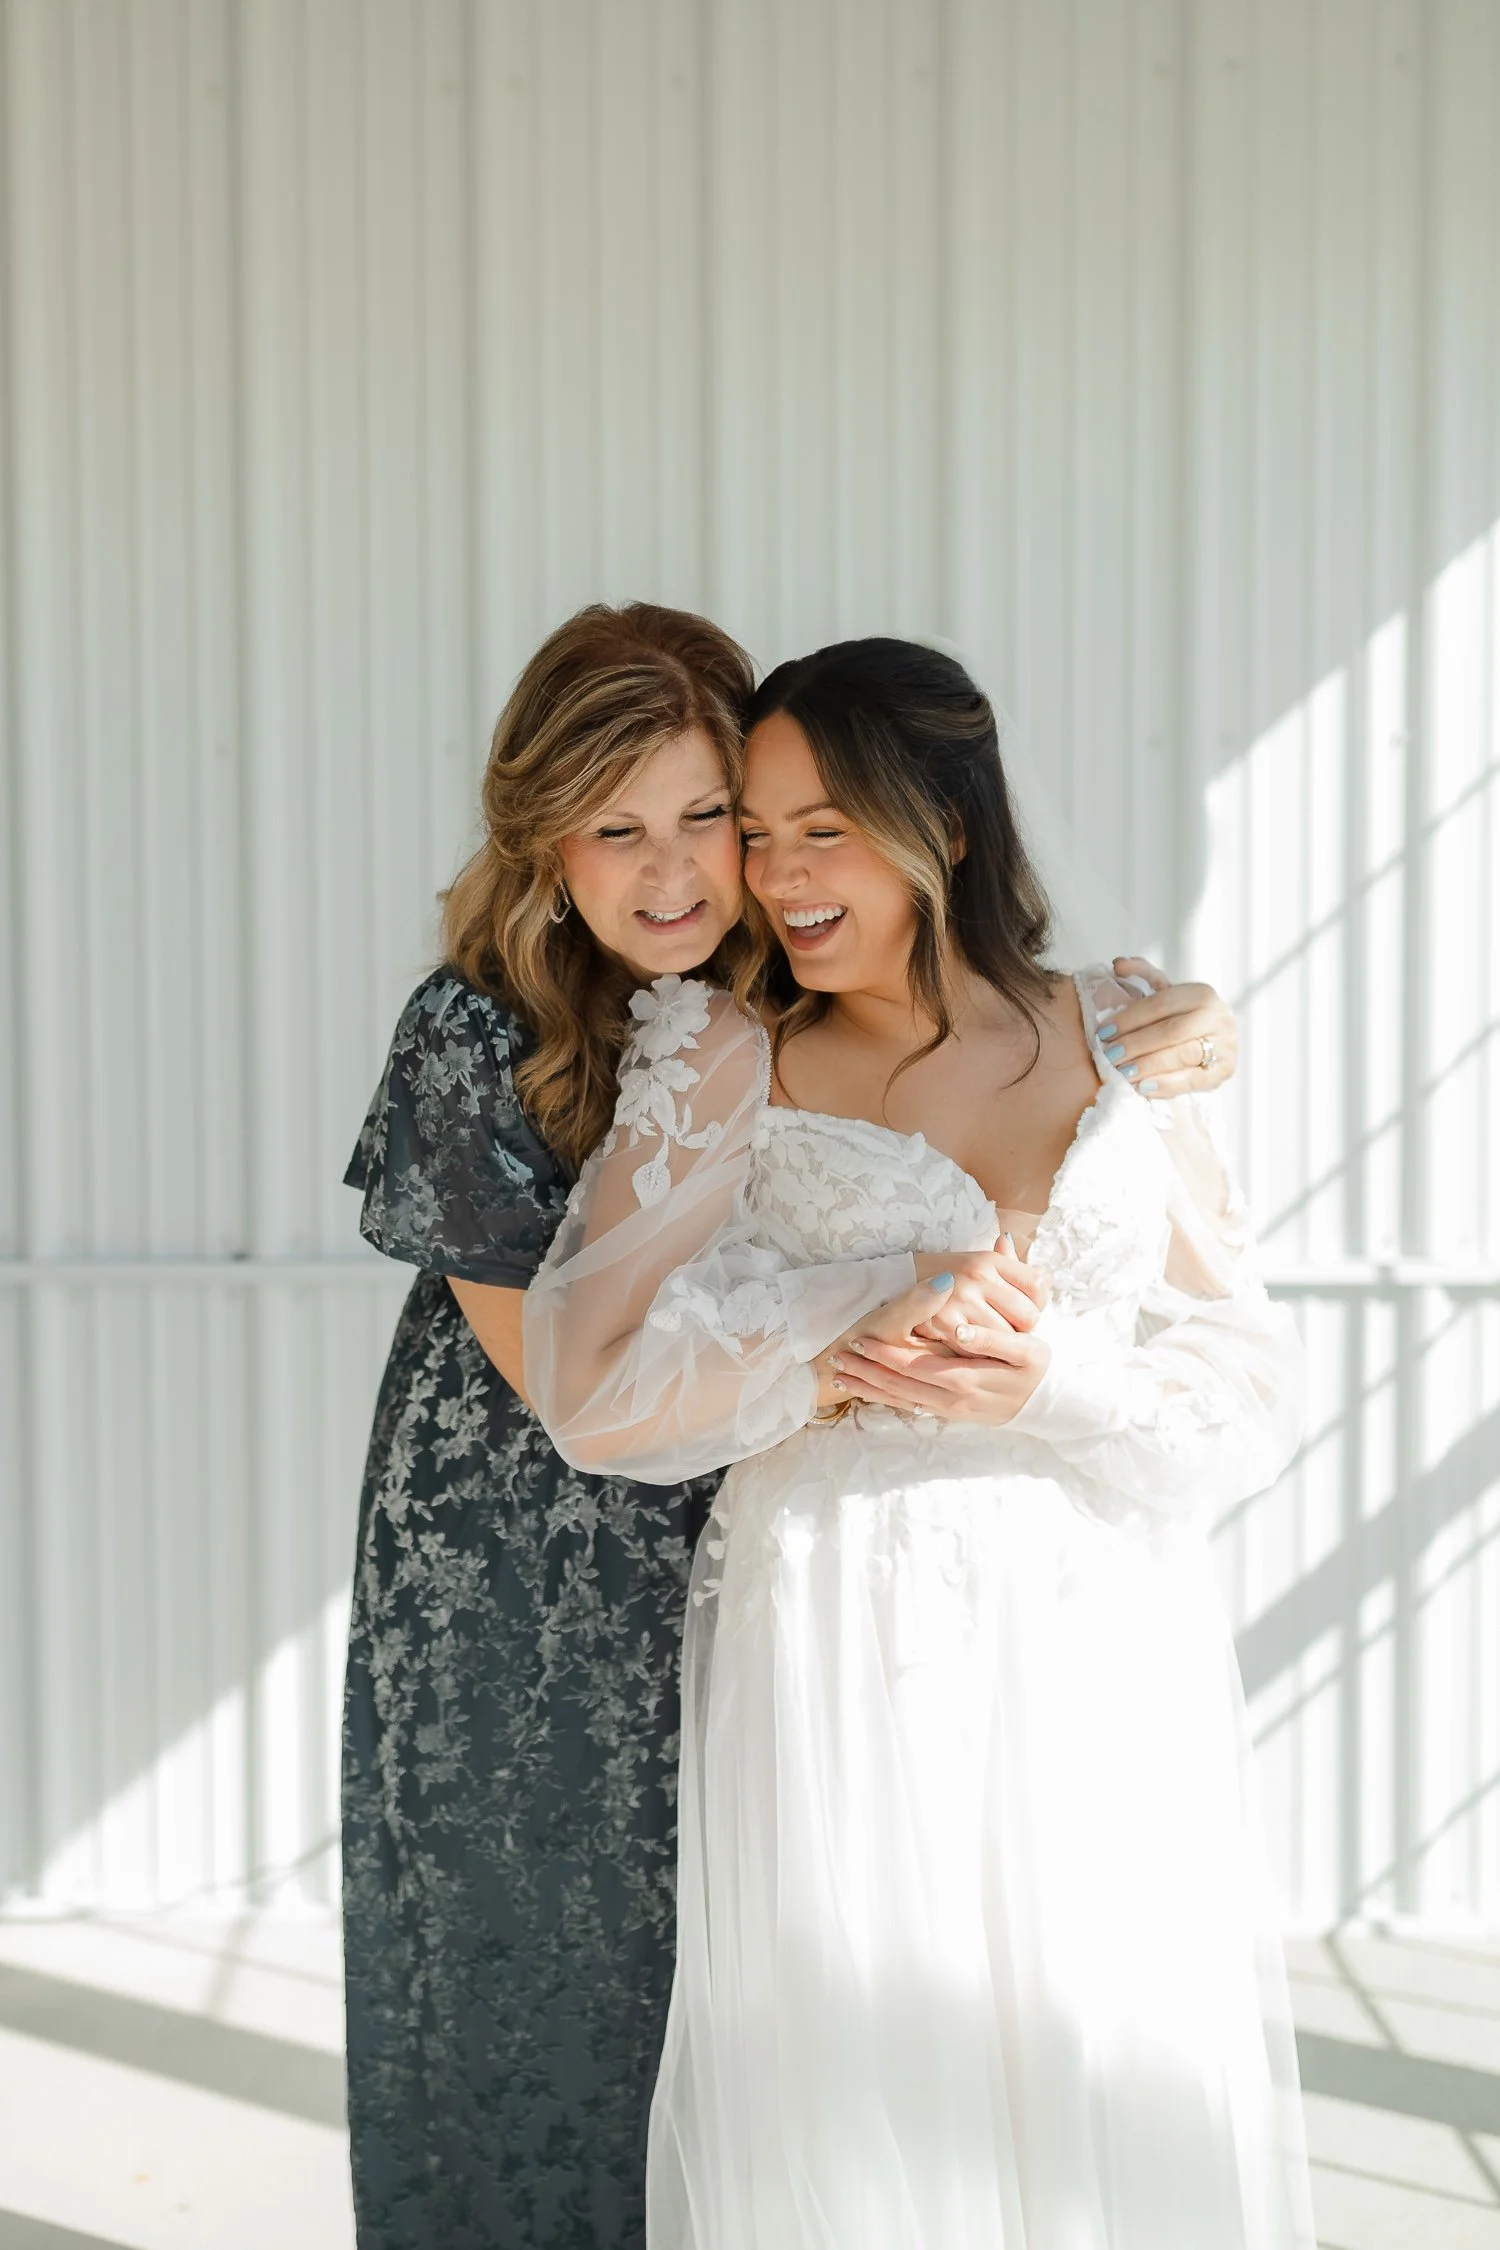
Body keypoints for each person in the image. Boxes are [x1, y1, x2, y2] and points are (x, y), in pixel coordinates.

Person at [343, 601, 1242, 2249]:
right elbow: (577, 1384)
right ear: (541, 837)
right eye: (624, 827)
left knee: (1011, 2043)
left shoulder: (874, 994)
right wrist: (866, 1325)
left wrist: (1172, 1041)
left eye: (726, 823)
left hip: (932, 1592)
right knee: (551, 2011)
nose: (693, 869)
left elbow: (1220, 1359)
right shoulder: (527, 1031)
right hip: (532, 1582)